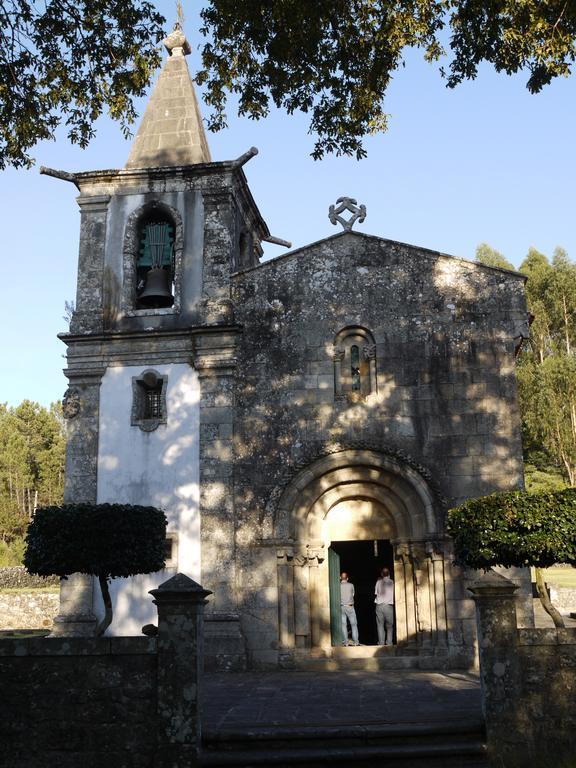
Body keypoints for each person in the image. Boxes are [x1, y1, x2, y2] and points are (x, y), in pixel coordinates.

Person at [375, 567, 395, 645]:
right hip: (388, 606)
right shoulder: (392, 582)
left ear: (381, 574)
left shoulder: (378, 582)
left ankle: (381, 642)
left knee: (380, 625)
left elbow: (376, 592)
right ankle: (389, 642)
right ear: (389, 574)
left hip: (379, 606)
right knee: (389, 626)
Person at [340, 571, 360, 646]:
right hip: (350, 606)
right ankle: (356, 642)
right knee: (354, 625)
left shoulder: (338, 586)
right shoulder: (351, 585)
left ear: (340, 578)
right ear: (347, 578)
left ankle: (346, 642)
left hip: (342, 607)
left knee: (343, 625)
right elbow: (353, 594)